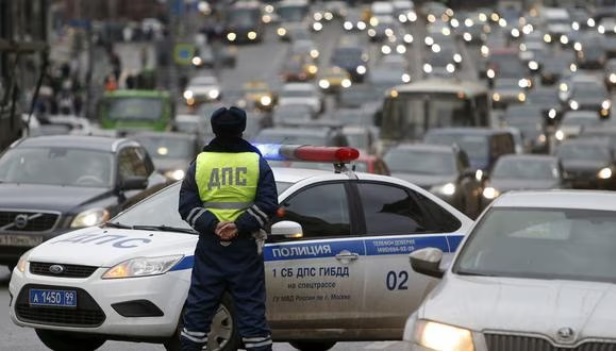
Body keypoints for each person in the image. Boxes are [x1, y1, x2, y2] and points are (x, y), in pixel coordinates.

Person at [178, 106, 278, 351]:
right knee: (252, 312)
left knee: (198, 313)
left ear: (214, 129)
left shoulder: (201, 162)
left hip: (211, 248)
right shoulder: (256, 162)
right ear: (242, 129)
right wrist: (238, 226)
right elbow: (268, 204)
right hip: (245, 248)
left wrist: (214, 226)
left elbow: (187, 206)